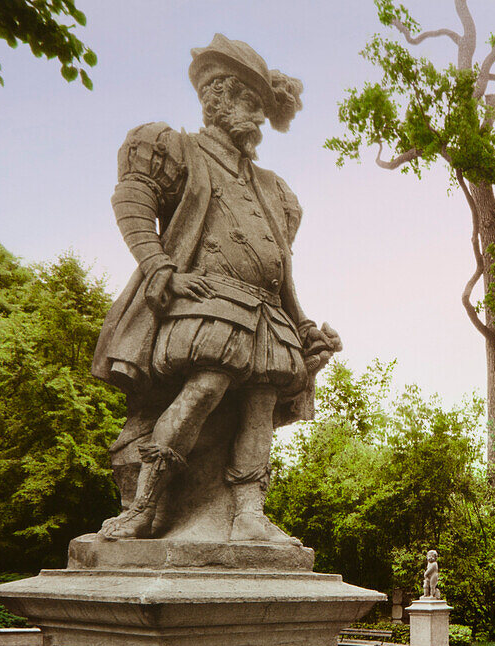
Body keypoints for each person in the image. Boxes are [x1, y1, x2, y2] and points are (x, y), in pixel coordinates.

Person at [91, 35, 340, 541]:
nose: (256, 120)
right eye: (248, 102)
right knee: (204, 390)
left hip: (266, 311)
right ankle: (145, 506)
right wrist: (160, 268)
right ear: (217, 96)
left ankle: (249, 513)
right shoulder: (174, 146)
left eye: (261, 107)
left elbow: (279, 262)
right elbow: (133, 200)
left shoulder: (273, 186)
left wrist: (305, 325)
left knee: (260, 407)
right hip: (207, 302)